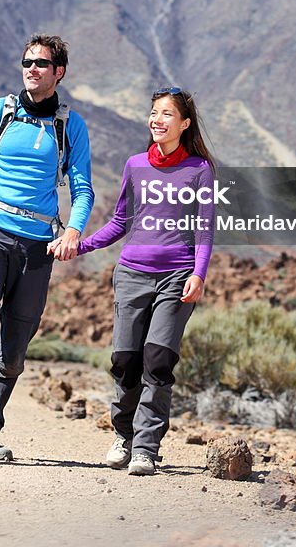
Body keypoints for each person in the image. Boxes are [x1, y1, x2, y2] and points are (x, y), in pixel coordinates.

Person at [0, 34, 94, 461]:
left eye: (41, 64)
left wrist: (74, 231)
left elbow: (82, 189)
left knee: (12, 350)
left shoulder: (70, 125)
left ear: (58, 72)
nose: (31, 69)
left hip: (37, 245)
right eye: (27, 62)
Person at [50, 85, 215, 475]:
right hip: (131, 274)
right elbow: (122, 221)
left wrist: (199, 273)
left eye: (167, 114)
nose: (157, 120)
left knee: (157, 360)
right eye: (154, 113)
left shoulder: (200, 170)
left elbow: (205, 229)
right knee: (125, 360)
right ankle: (124, 436)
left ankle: (146, 447)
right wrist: (81, 245)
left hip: (177, 275)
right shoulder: (135, 165)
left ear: (185, 123)